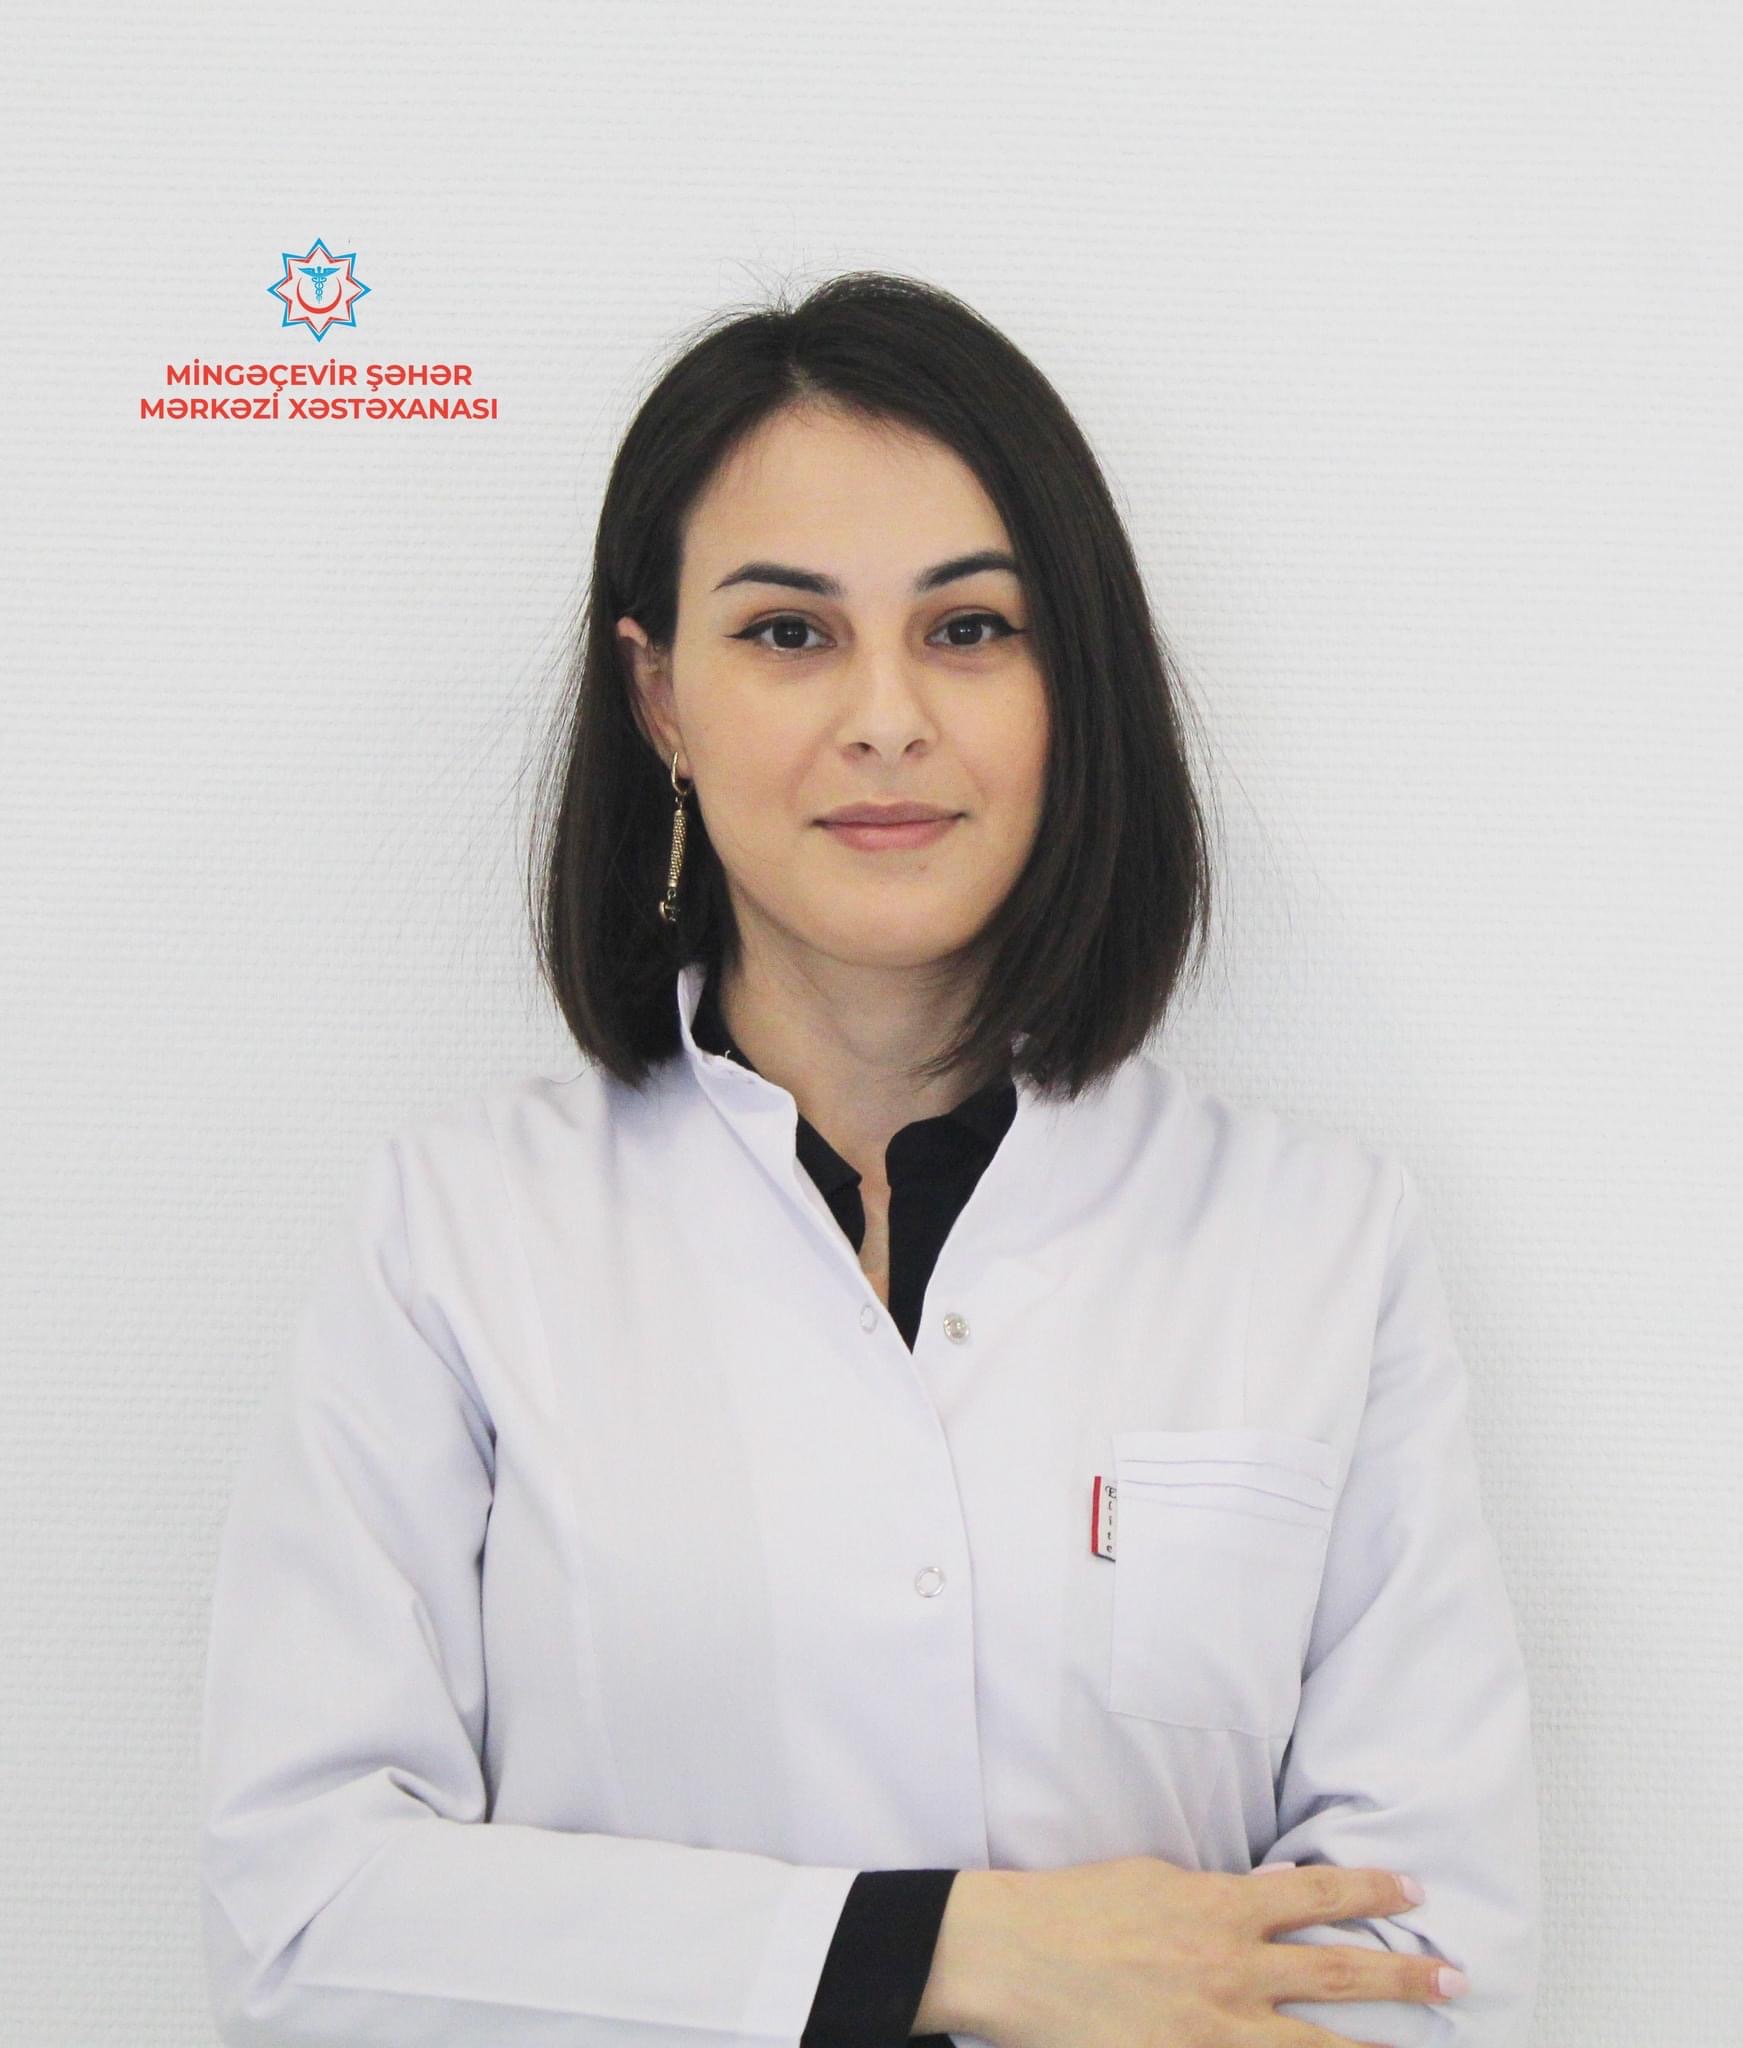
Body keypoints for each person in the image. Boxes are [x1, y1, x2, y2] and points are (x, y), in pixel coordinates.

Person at [198, 272, 1541, 2046]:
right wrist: (942, 1953)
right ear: (659, 697)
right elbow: (306, 1923)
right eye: (789, 634)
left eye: (970, 628)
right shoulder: (455, 1237)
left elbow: (1422, 1966)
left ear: (1073, 684)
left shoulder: (1315, 1242)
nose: (888, 717)